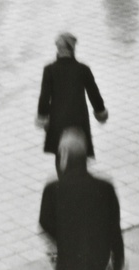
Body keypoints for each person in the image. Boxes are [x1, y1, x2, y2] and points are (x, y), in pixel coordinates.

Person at [39, 127, 126, 270]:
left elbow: (45, 222)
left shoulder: (52, 190)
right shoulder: (105, 189)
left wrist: (65, 238)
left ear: (64, 155)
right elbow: (115, 234)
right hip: (95, 265)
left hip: (69, 265)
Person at [37, 33, 109, 172]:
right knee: (80, 151)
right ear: (72, 49)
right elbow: (94, 95)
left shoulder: (49, 70)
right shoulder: (83, 69)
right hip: (78, 119)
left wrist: (42, 116)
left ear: (58, 49)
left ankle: (62, 183)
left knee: (60, 152)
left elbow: (44, 97)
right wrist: (100, 111)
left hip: (57, 120)